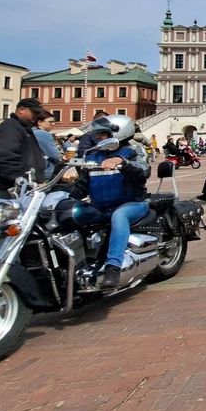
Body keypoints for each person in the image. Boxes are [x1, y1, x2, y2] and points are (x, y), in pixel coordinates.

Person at [64, 116, 150, 289]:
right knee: (70, 214)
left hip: (132, 204)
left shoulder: (133, 151)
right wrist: (63, 193)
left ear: (119, 133)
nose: (99, 138)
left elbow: (144, 170)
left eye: (104, 134)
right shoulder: (92, 155)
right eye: (98, 134)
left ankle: (113, 267)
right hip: (100, 207)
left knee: (119, 216)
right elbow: (82, 186)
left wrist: (123, 162)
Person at [0, 97, 48, 197]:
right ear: (21, 110)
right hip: (12, 186)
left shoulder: (23, 128)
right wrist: (17, 178)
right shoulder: (10, 128)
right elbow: (6, 154)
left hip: (24, 184)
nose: (37, 116)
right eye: (34, 112)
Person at [33, 112, 63, 181]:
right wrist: (62, 157)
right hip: (43, 172)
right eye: (50, 122)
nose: (53, 124)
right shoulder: (43, 134)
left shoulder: (30, 131)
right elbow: (54, 155)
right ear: (39, 122)